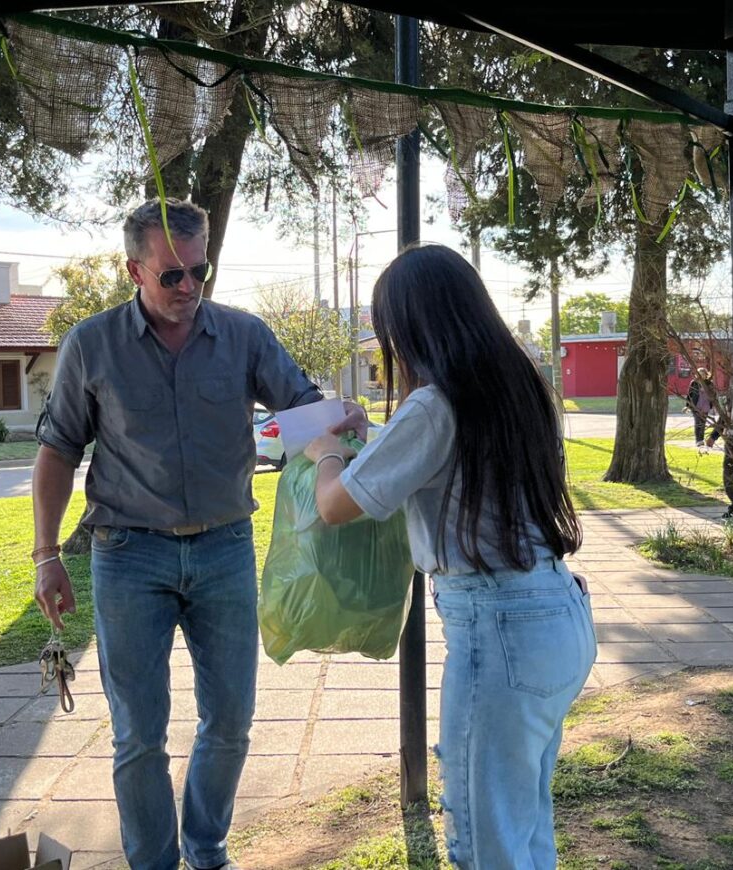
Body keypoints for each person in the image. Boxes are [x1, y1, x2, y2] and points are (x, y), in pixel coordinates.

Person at [30, 197, 365, 870]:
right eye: (171, 275)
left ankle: (206, 850)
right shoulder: (91, 345)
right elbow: (59, 451)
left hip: (224, 549)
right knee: (138, 735)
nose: (189, 287)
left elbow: (301, 407)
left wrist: (336, 415)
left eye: (199, 271)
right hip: (129, 554)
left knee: (232, 721)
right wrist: (46, 555)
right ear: (134, 270)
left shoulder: (243, 336)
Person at [303, 244, 596, 870]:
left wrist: (324, 451)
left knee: (485, 842)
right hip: (558, 614)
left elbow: (334, 505)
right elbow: (443, 463)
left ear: (413, 327)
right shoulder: (520, 388)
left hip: (499, 628)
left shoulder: (435, 403)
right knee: (523, 826)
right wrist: (371, 434)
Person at [686, 367, 714, 445]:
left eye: (703, 374)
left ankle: (701, 439)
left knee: (703, 423)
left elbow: (713, 395)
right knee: (698, 422)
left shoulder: (709, 383)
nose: (701, 376)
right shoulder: (694, 383)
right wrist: (687, 406)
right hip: (696, 406)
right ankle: (698, 440)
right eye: (700, 374)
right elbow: (689, 394)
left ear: (706, 375)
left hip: (705, 406)